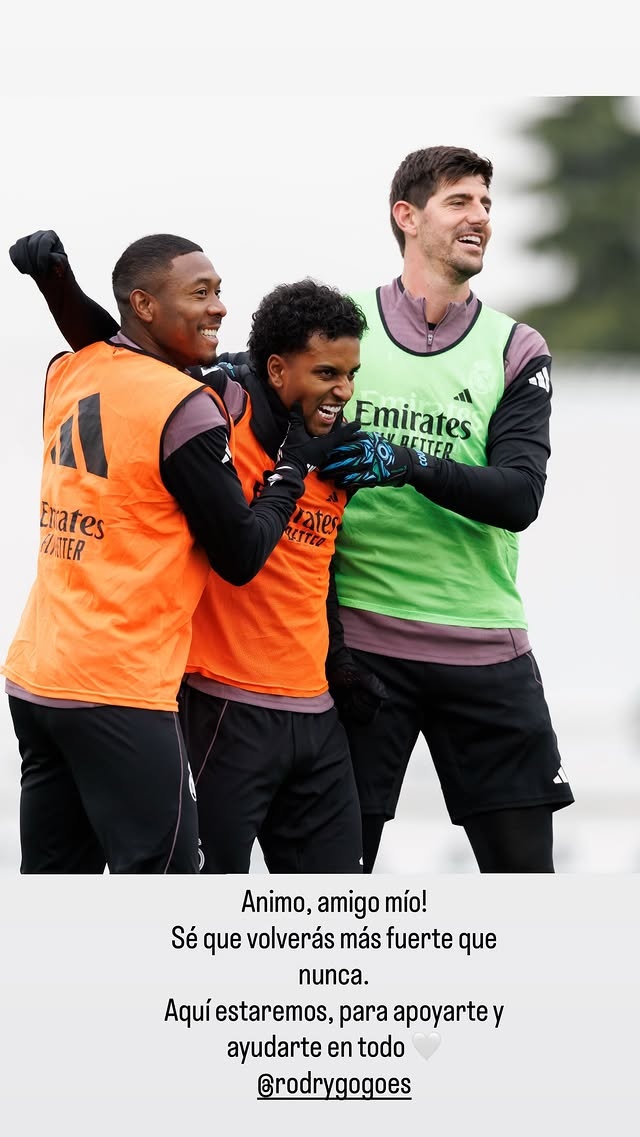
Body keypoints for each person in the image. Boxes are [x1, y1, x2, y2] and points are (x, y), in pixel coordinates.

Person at [8, 233, 381, 873]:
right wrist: (292, 468)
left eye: (218, 291)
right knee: (173, 895)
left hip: (38, 676)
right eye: (200, 292)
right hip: (124, 685)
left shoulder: (67, 371)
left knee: (56, 892)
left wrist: (58, 287)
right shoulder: (190, 406)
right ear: (146, 305)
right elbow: (240, 554)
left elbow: (111, 341)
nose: (219, 307)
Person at [318, 145, 574, 873]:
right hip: (361, 651)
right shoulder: (341, 328)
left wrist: (410, 465)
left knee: (528, 892)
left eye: (487, 204)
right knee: (329, 894)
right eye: (460, 201)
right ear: (407, 216)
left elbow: (519, 496)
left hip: (485, 648)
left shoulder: (517, 346)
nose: (481, 217)